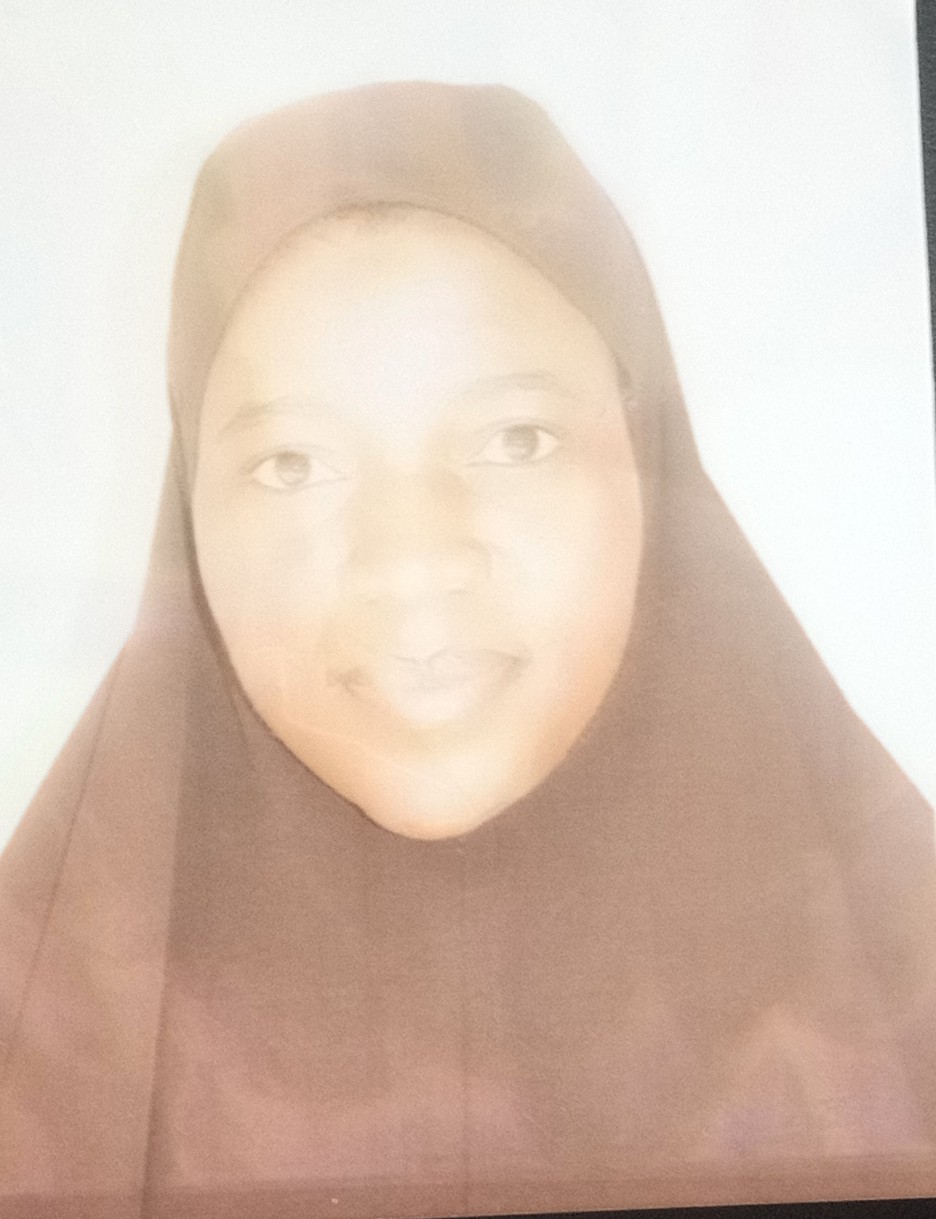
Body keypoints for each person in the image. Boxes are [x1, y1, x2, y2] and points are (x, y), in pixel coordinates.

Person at [2, 81, 935, 1219]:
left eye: (514, 439)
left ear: (648, 463)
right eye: (293, 463)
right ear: (190, 517)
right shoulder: (39, 1044)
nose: (412, 560)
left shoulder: (907, 978)